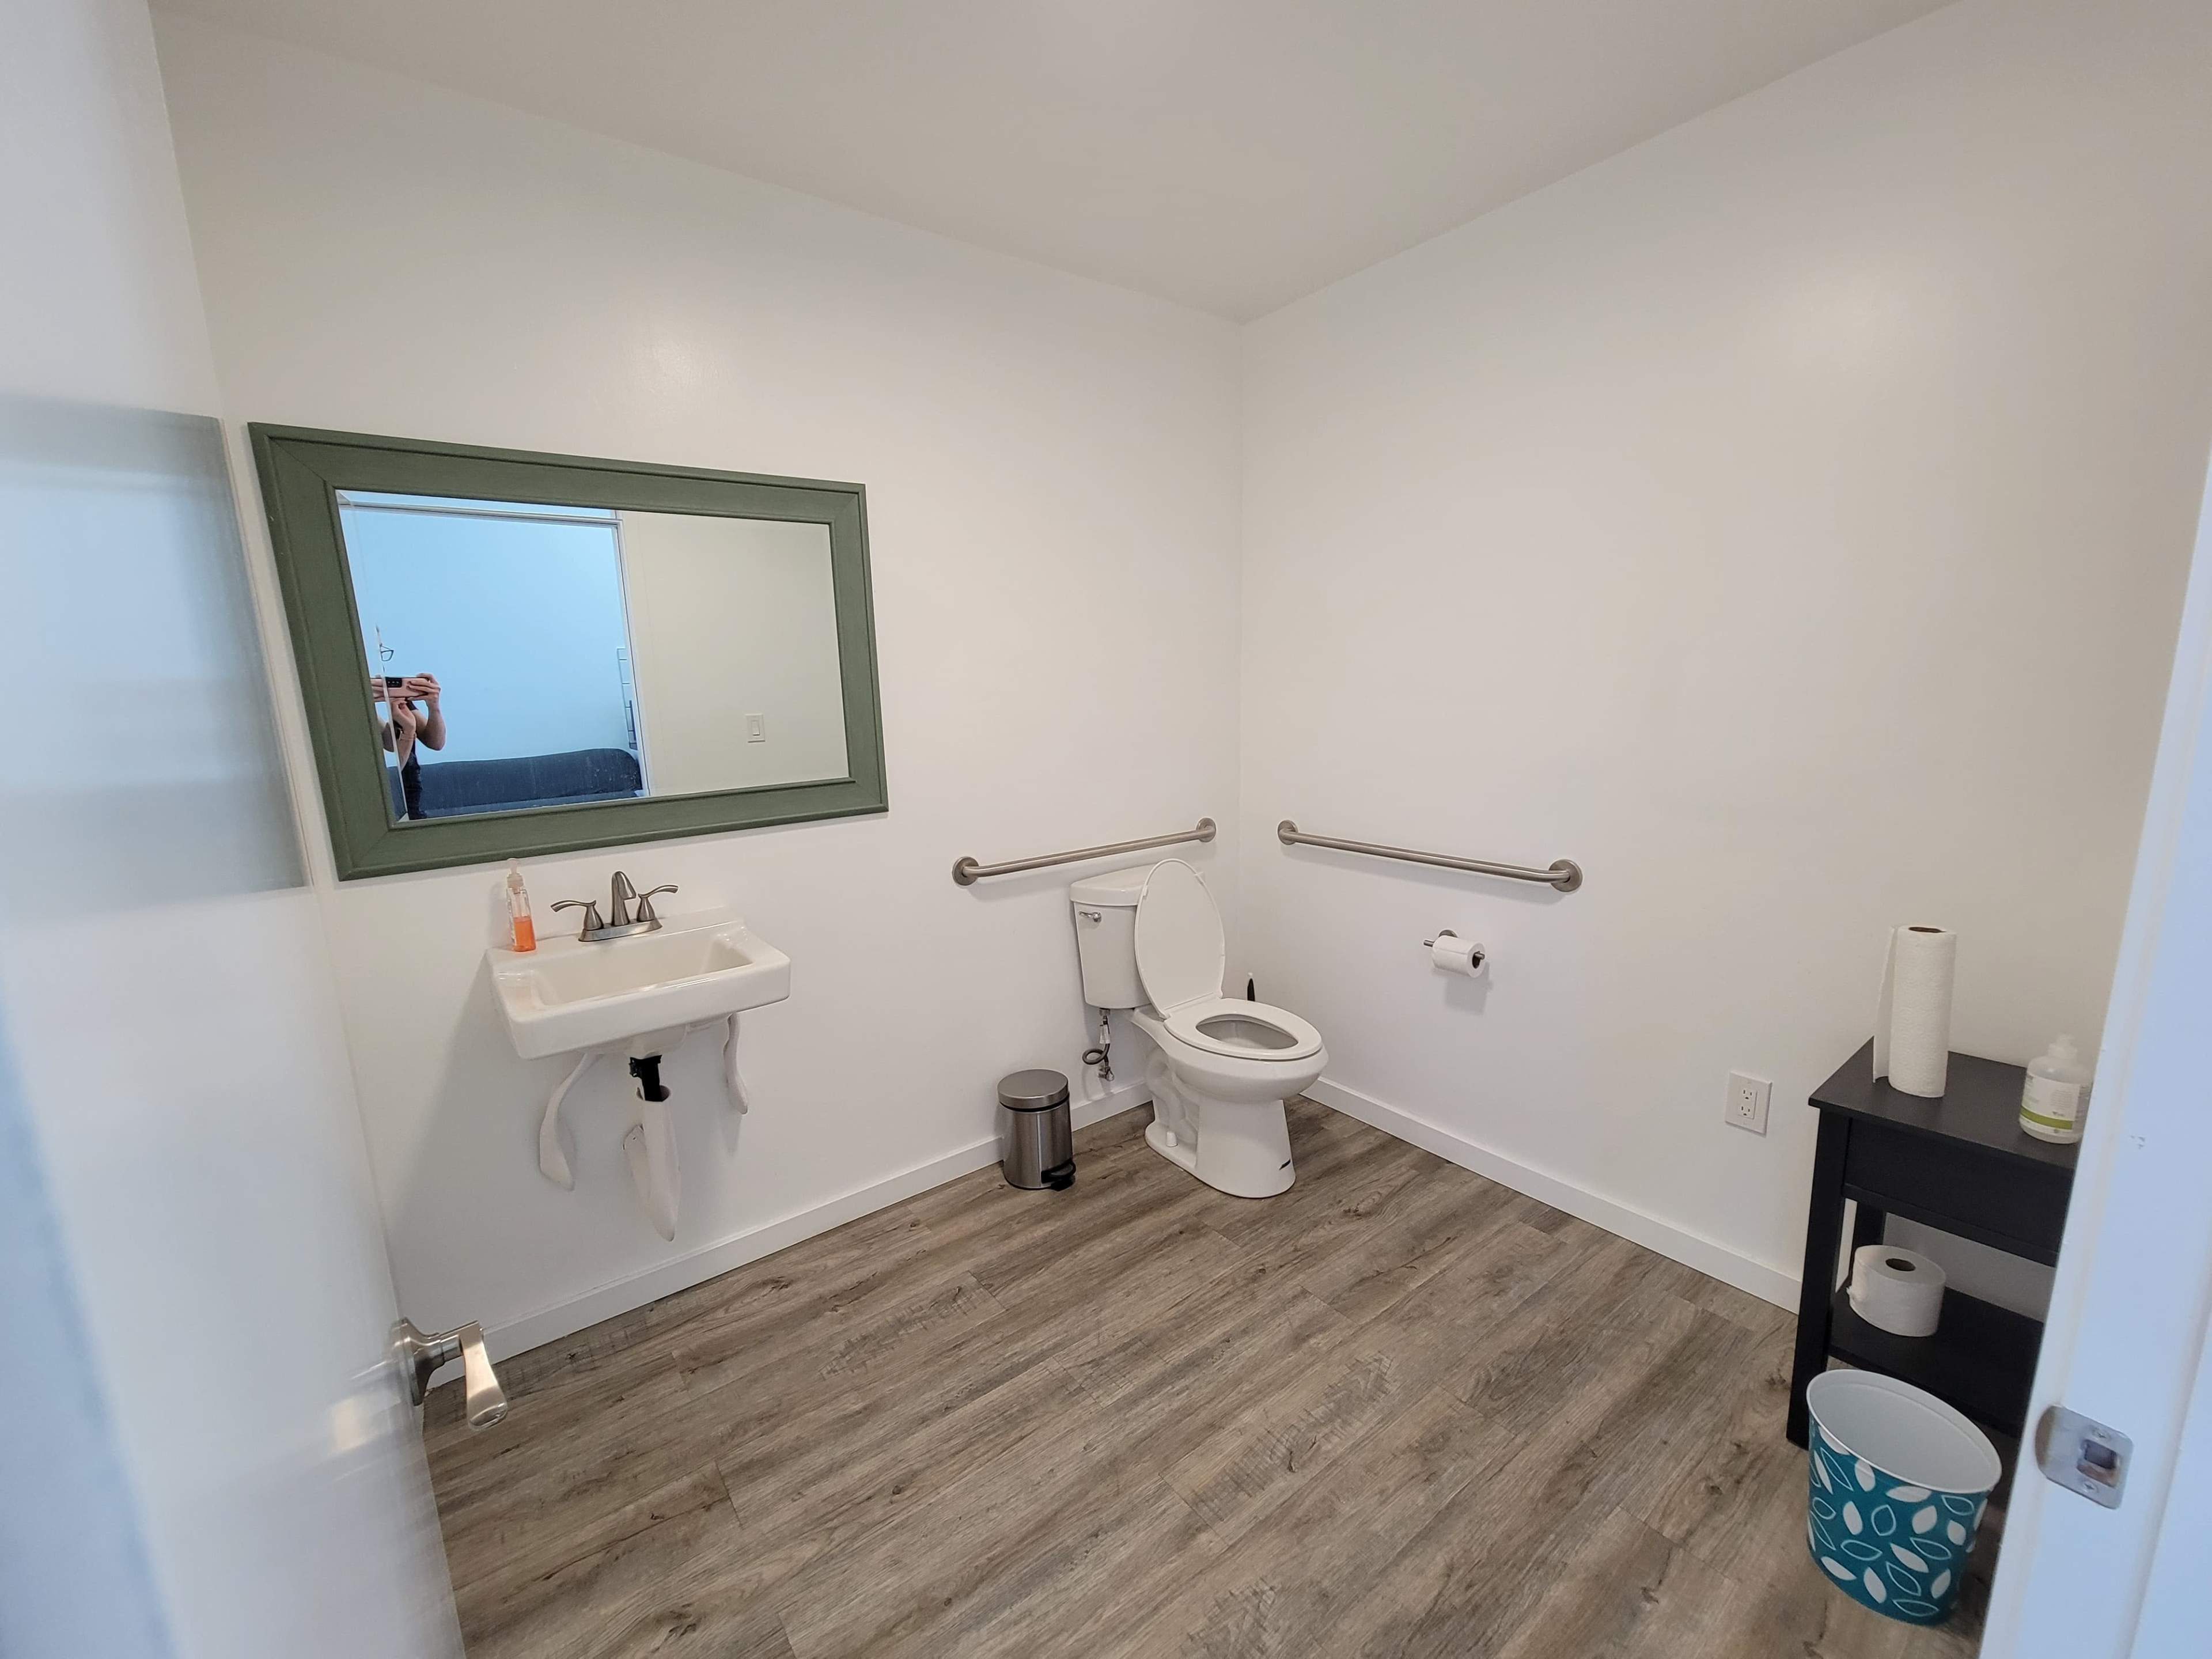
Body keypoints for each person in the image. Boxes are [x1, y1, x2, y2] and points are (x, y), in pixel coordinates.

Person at [376, 673, 445, 819]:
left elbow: (436, 742)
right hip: (391, 805)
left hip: (409, 800)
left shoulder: (395, 695)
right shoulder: (356, 705)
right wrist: (408, 732)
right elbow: (390, 769)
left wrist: (434, 707)